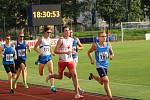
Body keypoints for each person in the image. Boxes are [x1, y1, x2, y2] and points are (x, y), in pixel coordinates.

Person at [46, 26, 84, 99]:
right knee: (60, 77)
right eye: (66, 31)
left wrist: (74, 51)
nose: (67, 32)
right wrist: (66, 52)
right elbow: (55, 51)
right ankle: (51, 76)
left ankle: (77, 94)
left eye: (68, 30)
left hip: (70, 60)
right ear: (63, 32)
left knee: (74, 75)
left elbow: (73, 48)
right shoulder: (61, 40)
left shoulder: (72, 40)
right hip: (62, 61)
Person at [87, 32, 114, 100]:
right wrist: (91, 59)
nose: (104, 37)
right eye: (102, 36)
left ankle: (92, 76)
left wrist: (111, 56)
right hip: (99, 65)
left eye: (105, 36)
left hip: (105, 65)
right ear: (99, 37)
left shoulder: (108, 44)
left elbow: (112, 53)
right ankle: (110, 97)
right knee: (106, 80)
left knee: (102, 82)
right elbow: (89, 52)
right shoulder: (95, 46)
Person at [34, 27, 56, 92]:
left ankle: (52, 86)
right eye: (48, 32)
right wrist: (39, 52)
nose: (49, 34)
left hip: (48, 57)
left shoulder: (50, 39)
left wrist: (52, 52)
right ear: (45, 32)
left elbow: (50, 47)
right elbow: (35, 48)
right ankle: (38, 62)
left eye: (50, 32)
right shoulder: (41, 39)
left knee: (51, 72)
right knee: (41, 73)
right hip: (42, 58)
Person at [64, 29, 84, 94]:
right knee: (74, 75)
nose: (70, 33)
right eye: (69, 32)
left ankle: (65, 74)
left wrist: (78, 48)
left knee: (73, 75)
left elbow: (82, 47)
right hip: (69, 58)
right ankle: (79, 89)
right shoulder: (66, 40)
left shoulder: (76, 39)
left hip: (75, 58)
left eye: (71, 32)